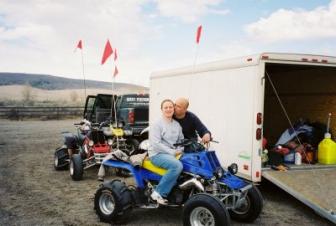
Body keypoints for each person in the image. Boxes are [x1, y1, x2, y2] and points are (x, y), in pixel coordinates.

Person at [149, 99, 184, 205]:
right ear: (162, 109)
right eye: (166, 107)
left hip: (173, 153)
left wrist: (180, 149)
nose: (168, 109)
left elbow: (181, 141)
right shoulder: (157, 124)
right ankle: (158, 193)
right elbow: (156, 144)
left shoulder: (177, 125)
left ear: (173, 109)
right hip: (157, 154)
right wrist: (172, 152)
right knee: (177, 166)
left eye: (170, 107)